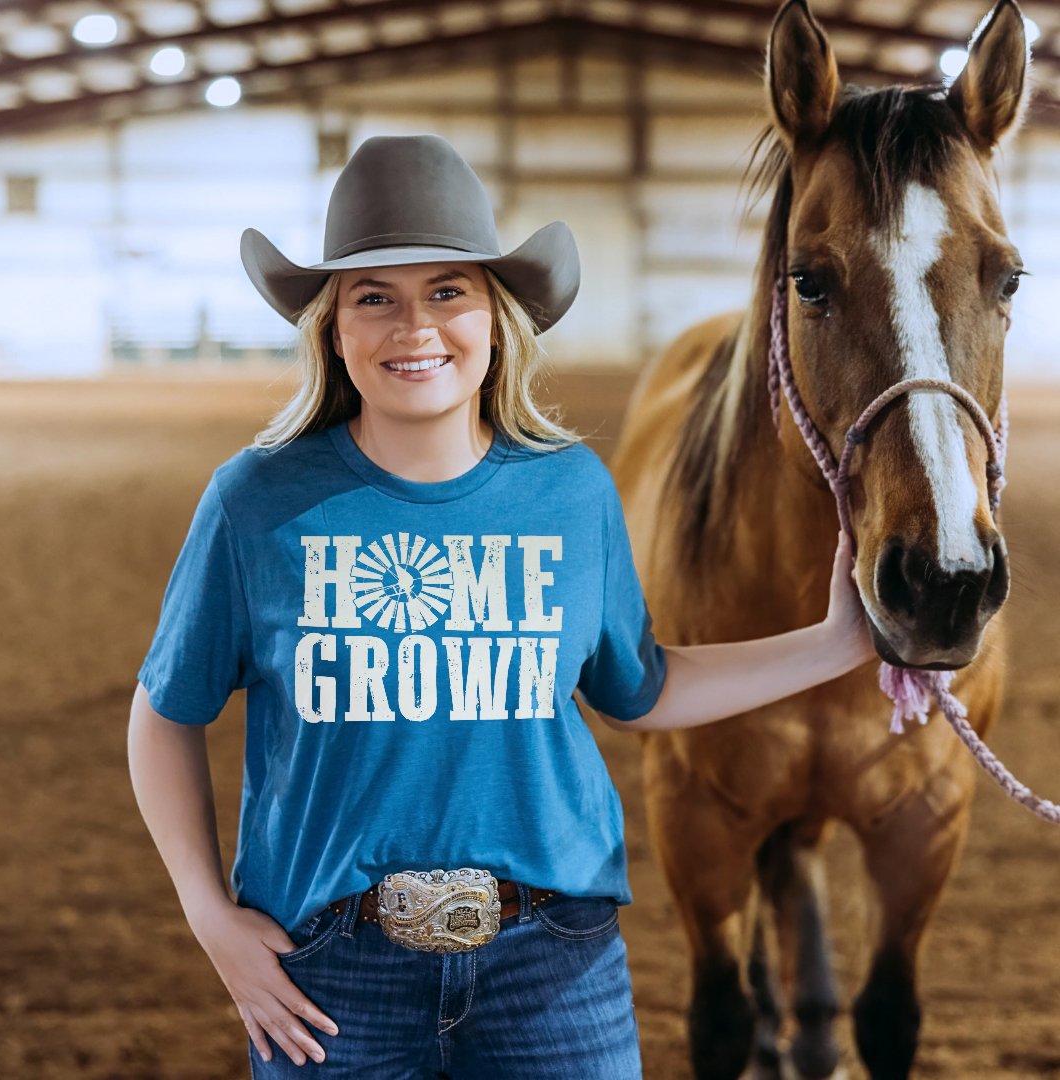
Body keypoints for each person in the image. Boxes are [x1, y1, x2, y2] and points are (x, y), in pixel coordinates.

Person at [128, 133, 874, 1078]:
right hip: (329, 973)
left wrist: (838, 640)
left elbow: (640, 689)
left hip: (551, 964)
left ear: (495, 317)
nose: (416, 329)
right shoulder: (257, 503)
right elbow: (163, 715)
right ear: (332, 327)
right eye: (374, 298)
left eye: (448, 291)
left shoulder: (572, 493)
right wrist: (209, 917)